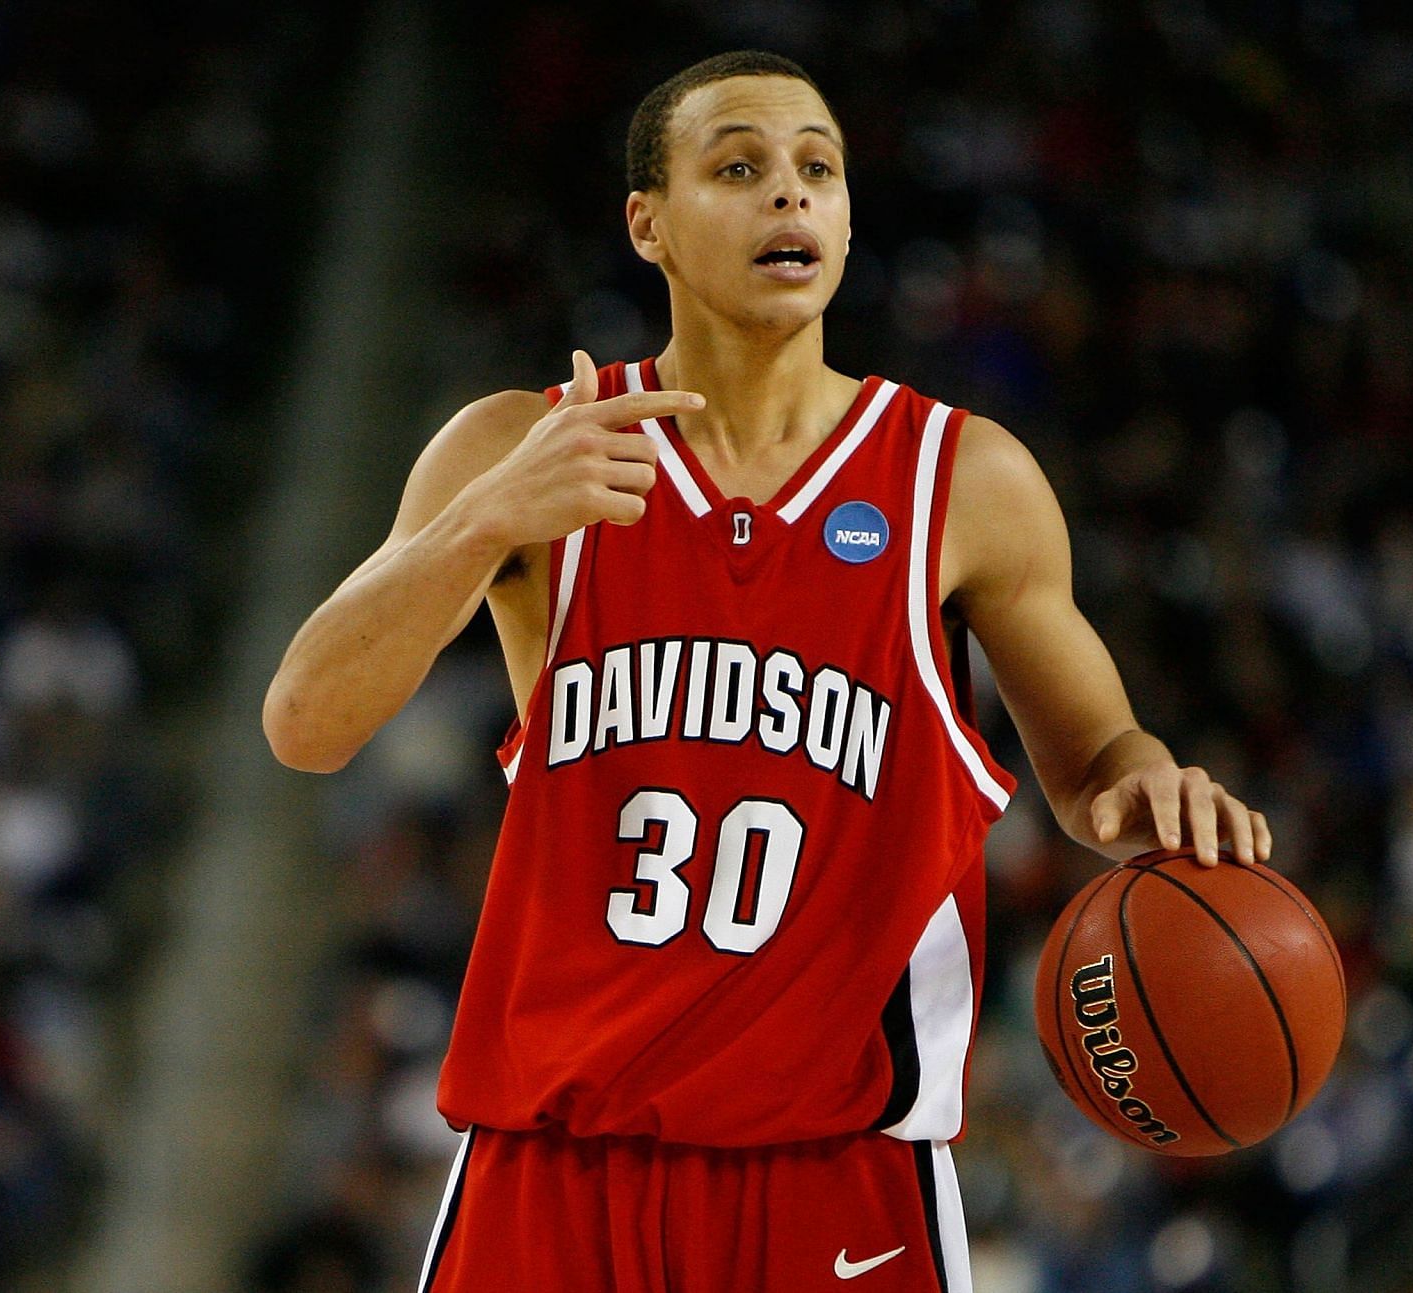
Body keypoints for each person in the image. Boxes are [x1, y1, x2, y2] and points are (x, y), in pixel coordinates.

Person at [264, 49, 1273, 1293]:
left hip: (836, 1177)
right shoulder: (526, 446)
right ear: (650, 224)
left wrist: (1149, 786)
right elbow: (304, 723)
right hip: (554, 1162)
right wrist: (480, 523)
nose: (788, 196)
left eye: (817, 170)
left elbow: (1098, 766)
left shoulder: (963, 482)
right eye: (738, 167)